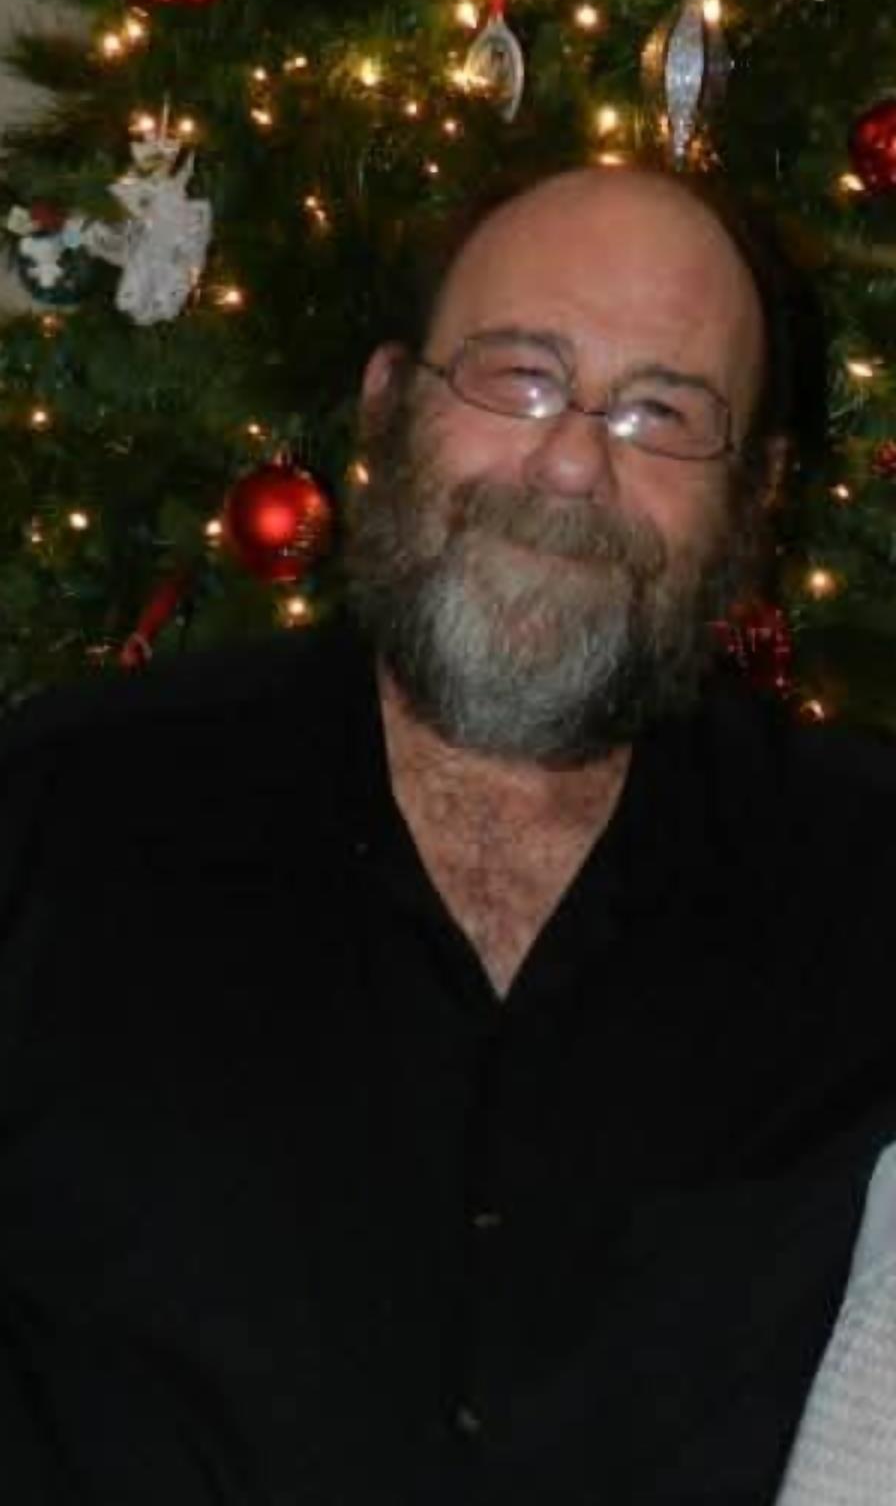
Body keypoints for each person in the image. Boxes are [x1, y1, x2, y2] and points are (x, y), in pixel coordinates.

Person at [0, 163, 894, 1505]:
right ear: (387, 406)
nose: (575, 462)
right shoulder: (54, 817)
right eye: (519, 375)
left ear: (755, 499)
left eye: (663, 412)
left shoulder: (862, 880)